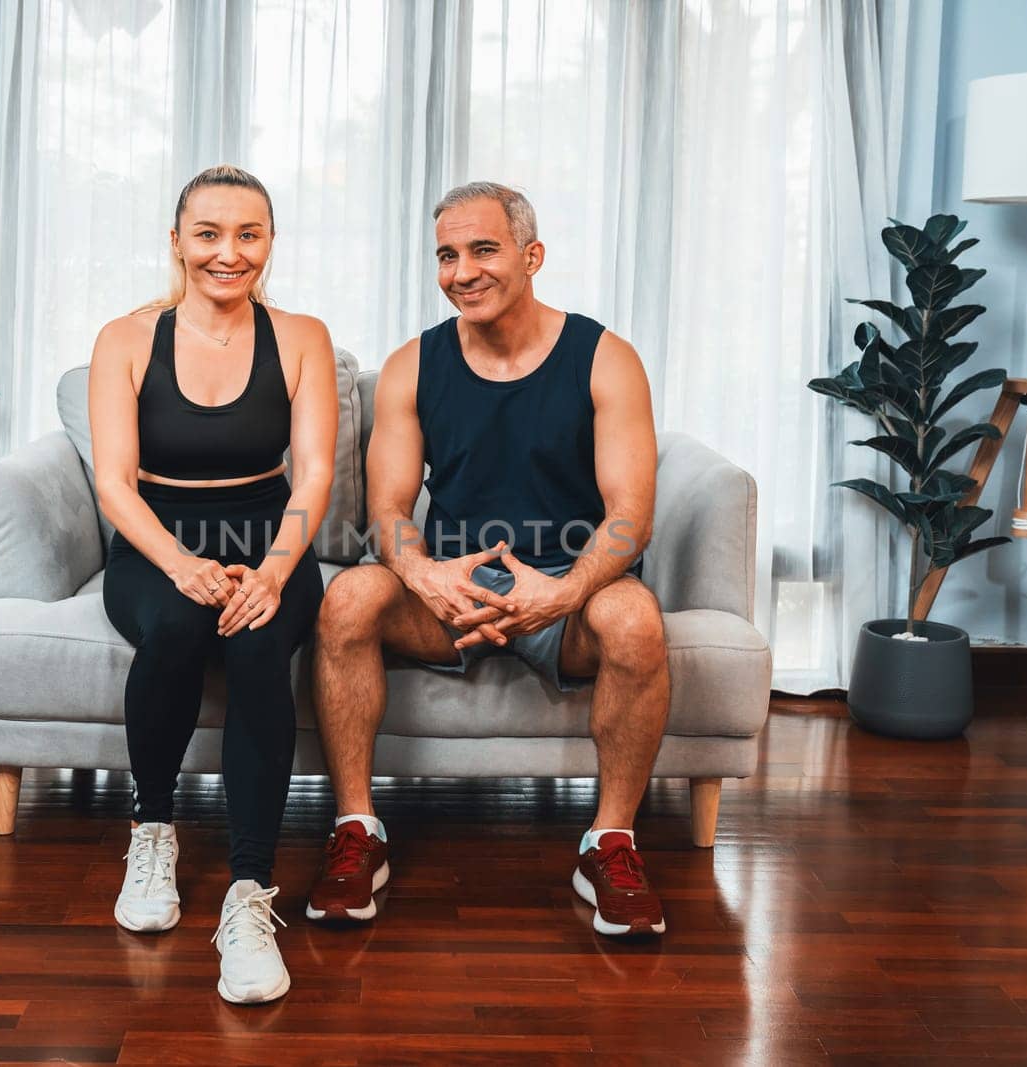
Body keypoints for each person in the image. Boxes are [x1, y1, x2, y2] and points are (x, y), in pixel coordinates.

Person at [308, 181, 671, 937]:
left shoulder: (605, 358)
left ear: (531, 255)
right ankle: (356, 832)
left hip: (565, 592)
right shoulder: (414, 364)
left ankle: (609, 843)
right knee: (346, 598)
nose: (461, 271)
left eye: (482, 249)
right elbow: (387, 511)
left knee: (635, 619)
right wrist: (427, 575)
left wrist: (563, 592)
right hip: (454, 594)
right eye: (446, 254)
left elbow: (630, 516)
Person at [88, 164, 337, 1002]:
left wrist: (270, 571)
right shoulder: (125, 338)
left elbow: (315, 473)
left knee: (259, 641)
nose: (228, 253)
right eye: (209, 234)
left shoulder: (302, 336)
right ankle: (152, 831)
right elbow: (115, 486)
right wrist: (181, 565)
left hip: (268, 539)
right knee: (181, 627)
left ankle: (248, 893)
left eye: (248, 234)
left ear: (269, 243)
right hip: (157, 543)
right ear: (177, 241)